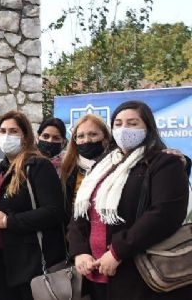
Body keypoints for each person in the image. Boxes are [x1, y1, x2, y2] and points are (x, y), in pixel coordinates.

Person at [68, 101, 191, 300]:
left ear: (148, 128)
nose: (124, 129)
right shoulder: (103, 165)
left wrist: (117, 252)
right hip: (96, 273)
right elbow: (81, 213)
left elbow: (164, 214)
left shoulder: (164, 162)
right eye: (118, 124)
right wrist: (80, 251)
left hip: (140, 274)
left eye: (132, 123)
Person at [0, 110, 65, 300]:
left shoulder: (38, 166)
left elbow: (54, 212)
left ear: (26, 136)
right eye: (2, 131)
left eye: (13, 131)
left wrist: (8, 221)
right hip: (1, 262)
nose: (7, 136)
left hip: (31, 266)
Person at [59, 114, 113, 219]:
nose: (86, 140)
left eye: (93, 134)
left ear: (105, 137)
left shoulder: (116, 166)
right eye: (81, 136)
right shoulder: (68, 168)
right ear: (75, 140)